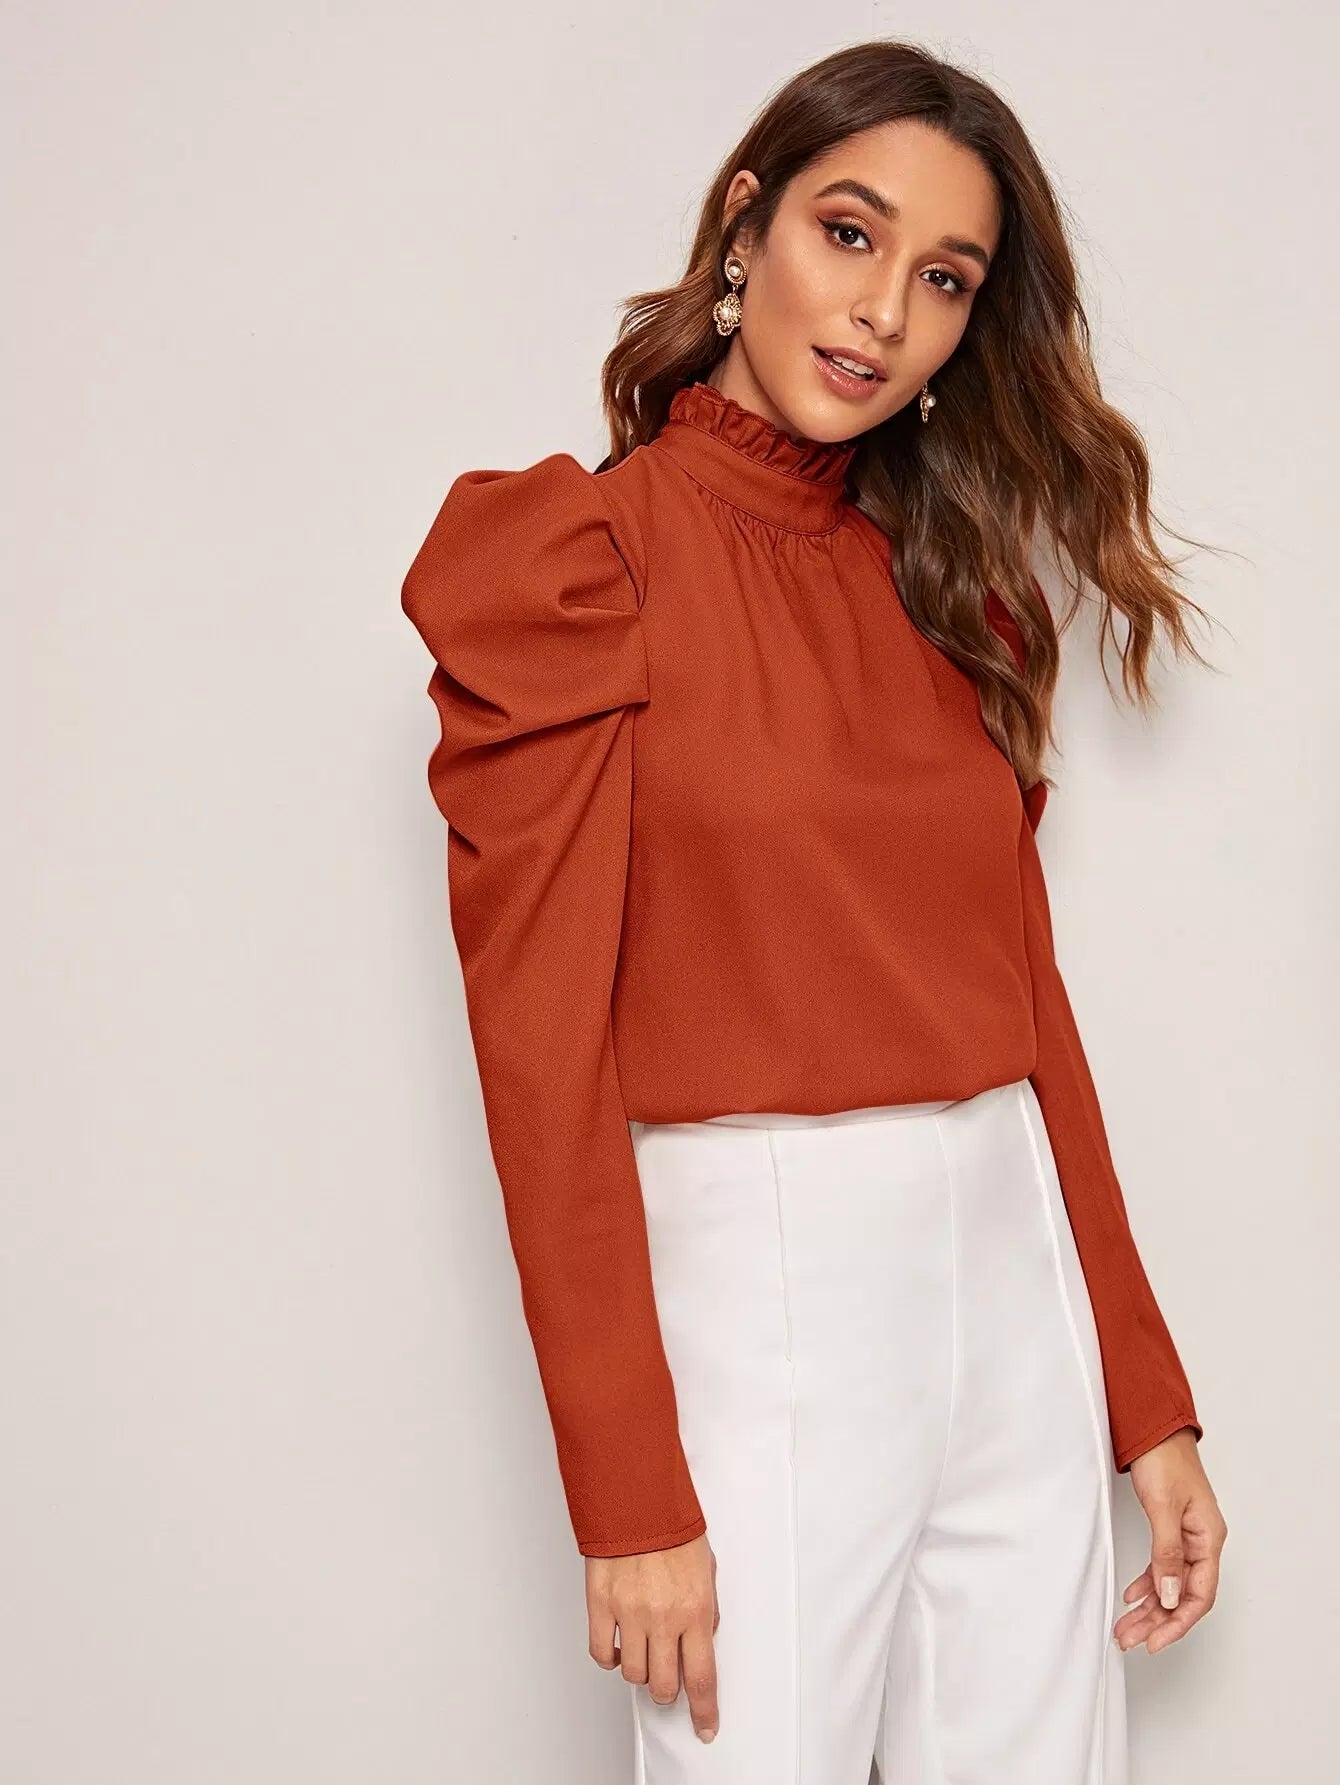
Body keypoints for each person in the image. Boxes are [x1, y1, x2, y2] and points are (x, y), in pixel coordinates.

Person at [400, 38, 1228, 1785]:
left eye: (946, 278)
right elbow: (540, 1056)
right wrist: (628, 1491)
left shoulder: (954, 596)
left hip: (1013, 1279)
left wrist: (1142, 1396)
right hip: (763, 1289)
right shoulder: (585, 568)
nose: (883, 312)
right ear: (744, 225)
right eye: (850, 234)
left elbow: (1028, 1008)